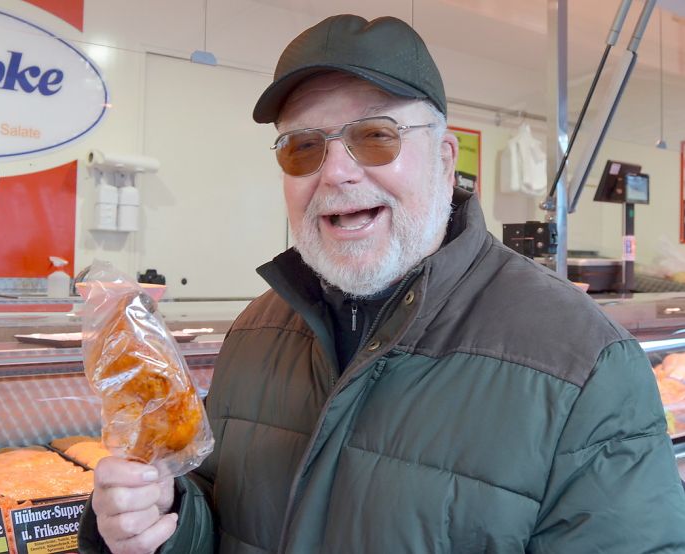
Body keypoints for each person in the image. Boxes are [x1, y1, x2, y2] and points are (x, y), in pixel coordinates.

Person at [79, 14, 685, 553]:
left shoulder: (584, 365)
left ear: (446, 159)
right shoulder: (255, 333)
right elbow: (223, 523)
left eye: (375, 136)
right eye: (303, 147)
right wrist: (165, 525)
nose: (336, 171)